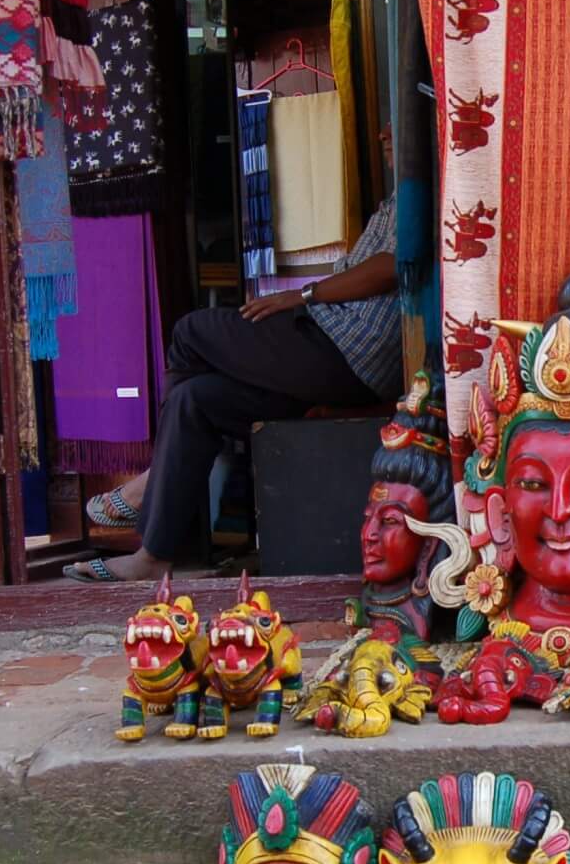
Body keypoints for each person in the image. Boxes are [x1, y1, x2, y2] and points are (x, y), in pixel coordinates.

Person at [64, 191, 403, 583]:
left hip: (347, 347)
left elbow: (391, 266)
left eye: (391, 135)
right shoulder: (395, 195)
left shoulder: (417, 188)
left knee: (190, 332)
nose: (384, 137)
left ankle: (153, 483)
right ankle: (154, 554)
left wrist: (302, 295)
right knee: (196, 400)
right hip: (337, 349)